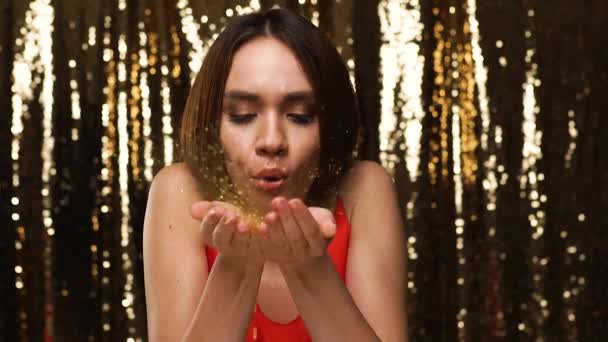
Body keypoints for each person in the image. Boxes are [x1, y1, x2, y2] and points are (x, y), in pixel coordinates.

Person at [143, 8, 407, 342]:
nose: (271, 141)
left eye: (299, 116)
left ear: (329, 126)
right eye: (243, 116)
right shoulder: (179, 191)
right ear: (212, 124)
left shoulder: (364, 188)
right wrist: (237, 264)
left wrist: (308, 266)